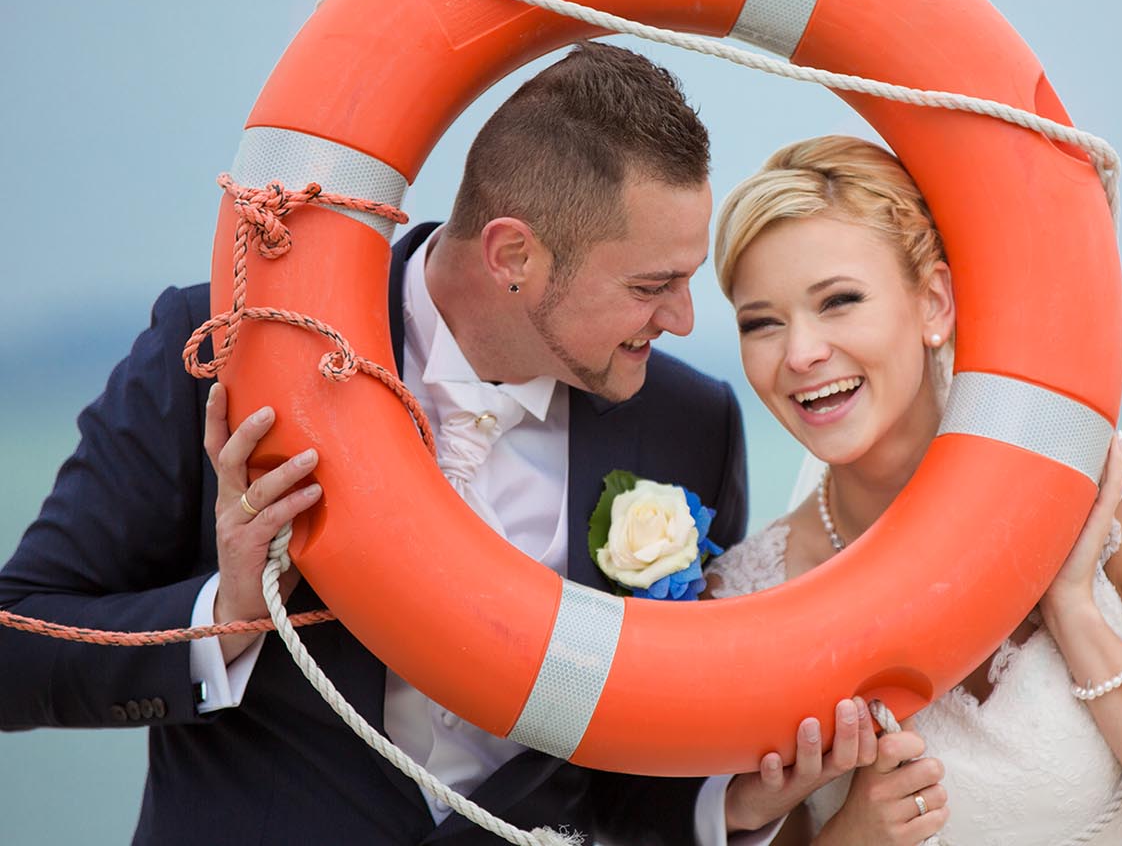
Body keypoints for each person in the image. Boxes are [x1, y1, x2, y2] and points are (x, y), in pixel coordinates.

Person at [0, 43, 864, 845]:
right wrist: (222, 616)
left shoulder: (688, 424)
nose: (681, 319)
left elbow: (628, 765)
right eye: (651, 285)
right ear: (513, 255)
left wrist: (728, 804)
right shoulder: (230, 349)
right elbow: (16, 649)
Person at [706, 136, 1122, 845]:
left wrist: (1076, 614)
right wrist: (855, 835)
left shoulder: (1116, 507)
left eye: (838, 301)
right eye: (761, 323)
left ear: (934, 303)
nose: (800, 352)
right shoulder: (750, 599)